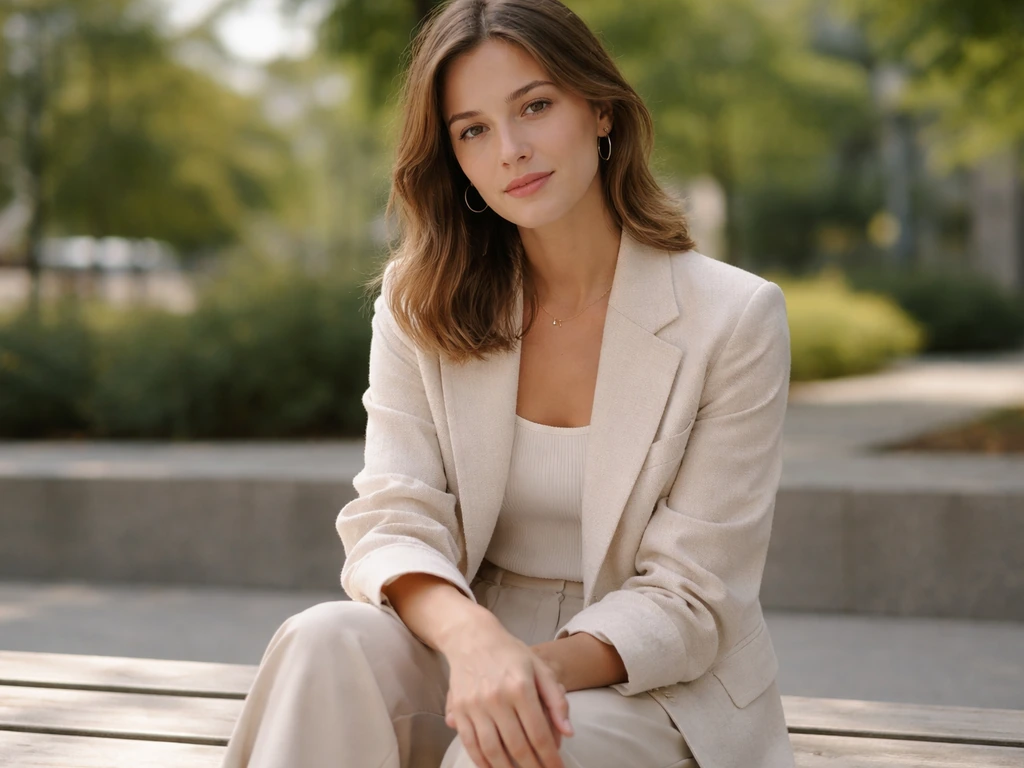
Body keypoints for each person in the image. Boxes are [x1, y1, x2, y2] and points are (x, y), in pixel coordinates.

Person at [220, 1, 796, 766]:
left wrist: (527, 672)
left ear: (599, 110)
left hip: (651, 683)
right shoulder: (420, 301)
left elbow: (693, 597)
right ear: (453, 157)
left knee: (506, 752)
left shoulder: (733, 318)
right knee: (322, 641)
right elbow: (394, 519)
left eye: (535, 106)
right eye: (474, 129)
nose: (512, 149)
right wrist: (476, 644)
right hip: (468, 635)